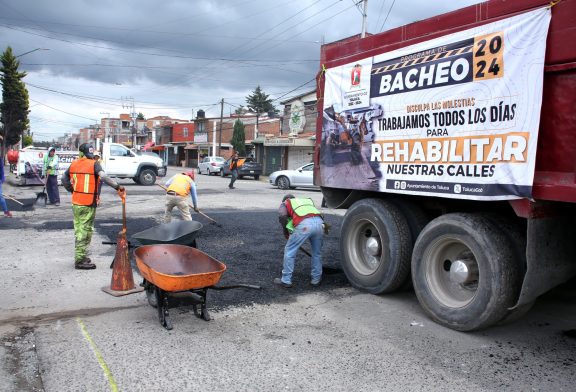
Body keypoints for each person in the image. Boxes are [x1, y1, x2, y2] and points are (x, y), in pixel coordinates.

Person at [61, 143, 125, 270]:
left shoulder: (74, 164)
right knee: (84, 231)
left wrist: (72, 190)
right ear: (87, 153)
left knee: (82, 229)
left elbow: (64, 178)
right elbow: (104, 177)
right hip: (88, 203)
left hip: (76, 202)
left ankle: (82, 256)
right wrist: (118, 186)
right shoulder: (94, 163)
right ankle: (79, 260)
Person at [274, 194, 324, 288]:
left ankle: (286, 280)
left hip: (305, 225)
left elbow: (282, 216)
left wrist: (285, 232)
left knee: (289, 251)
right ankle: (316, 279)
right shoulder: (305, 202)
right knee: (317, 253)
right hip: (321, 223)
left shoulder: (286, 203)